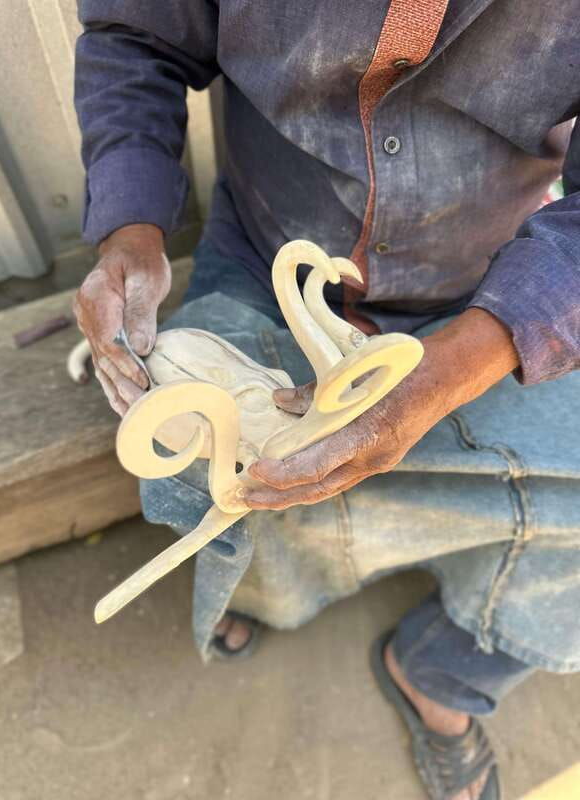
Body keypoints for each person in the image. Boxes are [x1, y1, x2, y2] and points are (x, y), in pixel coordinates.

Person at [72, 3, 580, 799]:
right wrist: (131, 226)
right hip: (268, 243)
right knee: (211, 479)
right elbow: (138, 36)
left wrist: (456, 366)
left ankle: (443, 673)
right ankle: (265, 596)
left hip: (496, 289)